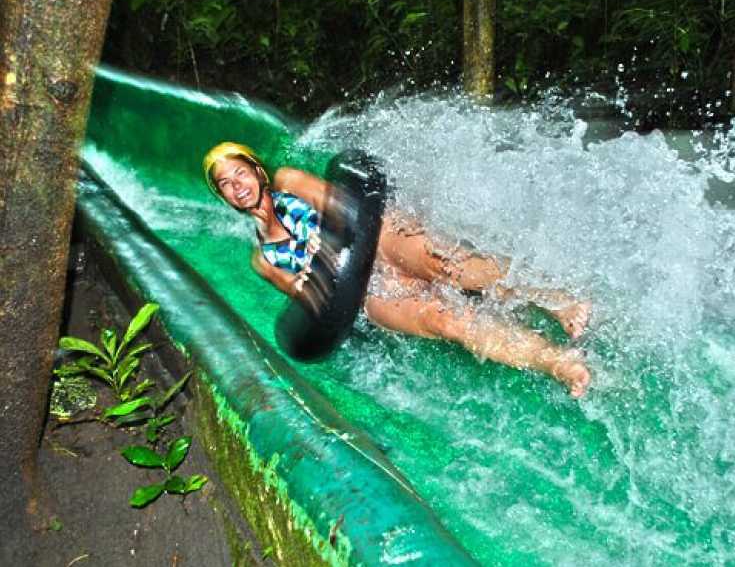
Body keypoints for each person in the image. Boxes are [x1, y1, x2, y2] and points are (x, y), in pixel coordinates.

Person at [203, 142, 593, 397]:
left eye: (241, 173)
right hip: (363, 292)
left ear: (258, 171)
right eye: (225, 184)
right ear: (222, 196)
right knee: (445, 321)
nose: (237, 186)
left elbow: (348, 212)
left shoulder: (289, 180)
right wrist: (317, 284)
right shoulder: (264, 260)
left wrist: (325, 264)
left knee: (443, 263)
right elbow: (308, 298)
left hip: (379, 242)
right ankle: (555, 361)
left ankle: (552, 299)